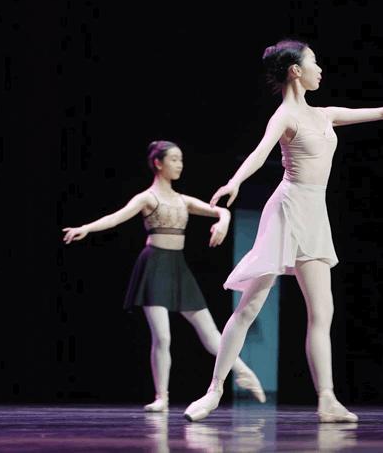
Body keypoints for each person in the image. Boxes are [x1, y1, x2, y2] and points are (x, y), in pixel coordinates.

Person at [183, 39, 383, 422]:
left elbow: (380, 112)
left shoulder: (324, 114)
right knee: (250, 305)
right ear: (296, 71)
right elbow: (260, 152)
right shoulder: (285, 116)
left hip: (315, 214)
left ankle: (327, 399)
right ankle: (214, 391)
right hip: (287, 209)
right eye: (314, 63)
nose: (320, 70)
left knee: (323, 311)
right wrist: (235, 181)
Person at [62, 141, 265, 411]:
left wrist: (223, 222)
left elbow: (221, 210)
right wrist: (86, 228)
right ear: (158, 163)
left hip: (178, 267)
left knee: (210, 332)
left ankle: (243, 372)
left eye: (181, 159)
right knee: (163, 337)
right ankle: (162, 397)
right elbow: (116, 217)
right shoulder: (147, 198)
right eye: (174, 159)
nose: (180, 164)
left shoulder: (182, 200)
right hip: (154, 266)